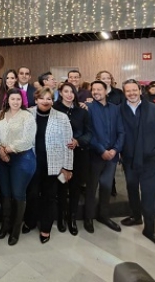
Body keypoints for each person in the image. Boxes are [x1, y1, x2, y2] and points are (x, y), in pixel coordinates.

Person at [119, 79, 155, 254]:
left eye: (134, 90)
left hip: (150, 159)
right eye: (128, 91)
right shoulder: (120, 109)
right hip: (129, 159)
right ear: (124, 92)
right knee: (132, 188)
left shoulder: (153, 109)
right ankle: (136, 216)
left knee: (148, 194)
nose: (132, 93)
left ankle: (150, 229)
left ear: (140, 90)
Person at [24, 87, 73, 244]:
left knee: (49, 197)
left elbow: (68, 143)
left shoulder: (62, 117)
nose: (46, 101)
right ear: (36, 99)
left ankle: (46, 228)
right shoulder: (27, 114)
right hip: (32, 164)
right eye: (42, 98)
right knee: (32, 195)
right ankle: (30, 222)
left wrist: (67, 167)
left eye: (49, 98)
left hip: (53, 165)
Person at [0, 87, 36, 246]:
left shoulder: (27, 116)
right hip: (3, 159)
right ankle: (5, 226)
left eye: (18, 99)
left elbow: (27, 140)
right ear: (7, 100)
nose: (15, 102)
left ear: (22, 100)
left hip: (22, 158)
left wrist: (7, 149)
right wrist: (0, 150)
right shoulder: (2, 114)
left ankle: (15, 230)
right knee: (5, 193)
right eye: (13, 99)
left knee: (18, 194)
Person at [84, 80, 124, 234]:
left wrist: (115, 149)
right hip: (95, 154)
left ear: (106, 90)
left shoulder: (116, 109)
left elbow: (121, 131)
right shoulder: (88, 108)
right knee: (91, 188)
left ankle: (103, 215)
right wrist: (101, 150)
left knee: (106, 188)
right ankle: (88, 217)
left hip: (112, 156)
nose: (95, 92)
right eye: (93, 89)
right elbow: (89, 133)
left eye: (99, 89)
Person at [53, 82, 92, 236]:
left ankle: (72, 218)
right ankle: (61, 217)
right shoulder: (54, 110)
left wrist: (78, 141)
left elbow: (89, 133)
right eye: (66, 91)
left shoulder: (82, 112)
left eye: (72, 92)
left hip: (78, 156)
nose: (69, 94)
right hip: (60, 156)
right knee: (62, 186)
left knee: (75, 188)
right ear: (61, 93)